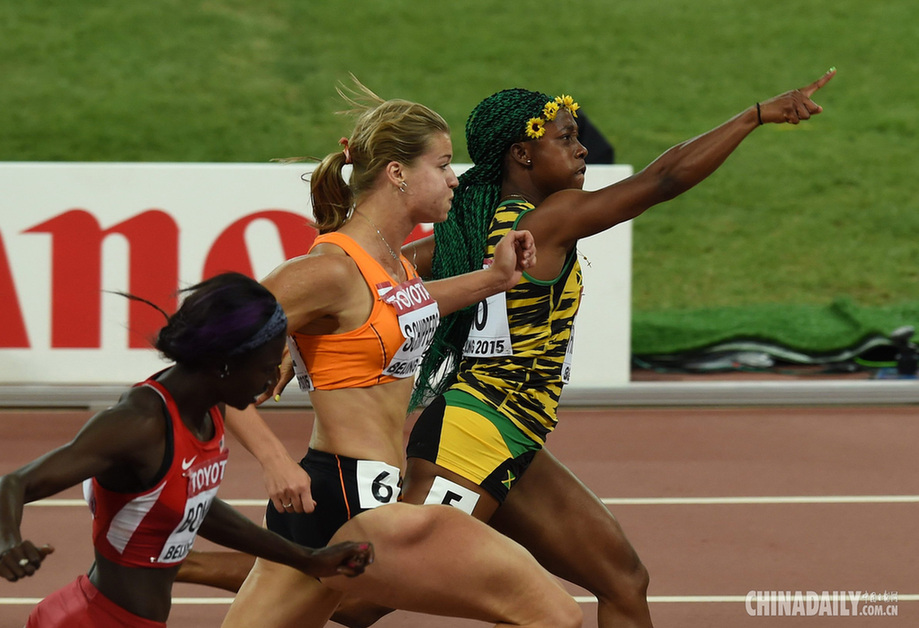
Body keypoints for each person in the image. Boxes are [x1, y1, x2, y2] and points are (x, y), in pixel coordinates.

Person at [396, 69, 837, 628]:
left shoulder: (468, 232)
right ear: (521, 154)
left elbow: (379, 274)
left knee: (623, 580)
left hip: (514, 434)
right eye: (565, 138)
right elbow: (664, 179)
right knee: (367, 596)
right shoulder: (549, 220)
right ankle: (279, 564)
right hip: (472, 437)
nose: (582, 149)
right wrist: (754, 116)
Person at [213, 83, 582, 628]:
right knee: (554, 616)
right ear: (397, 173)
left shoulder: (393, 265)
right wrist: (274, 461)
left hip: (342, 505)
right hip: (348, 501)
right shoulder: (327, 269)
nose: (456, 179)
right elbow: (207, 362)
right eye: (443, 164)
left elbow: (408, 304)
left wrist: (497, 278)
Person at [0, 272, 374, 627]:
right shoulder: (139, 425)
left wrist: (308, 559)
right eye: (266, 367)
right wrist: (7, 542)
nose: (274, 380)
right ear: (225, 364)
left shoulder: (208, 409)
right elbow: (14, 484)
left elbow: (195, 505)